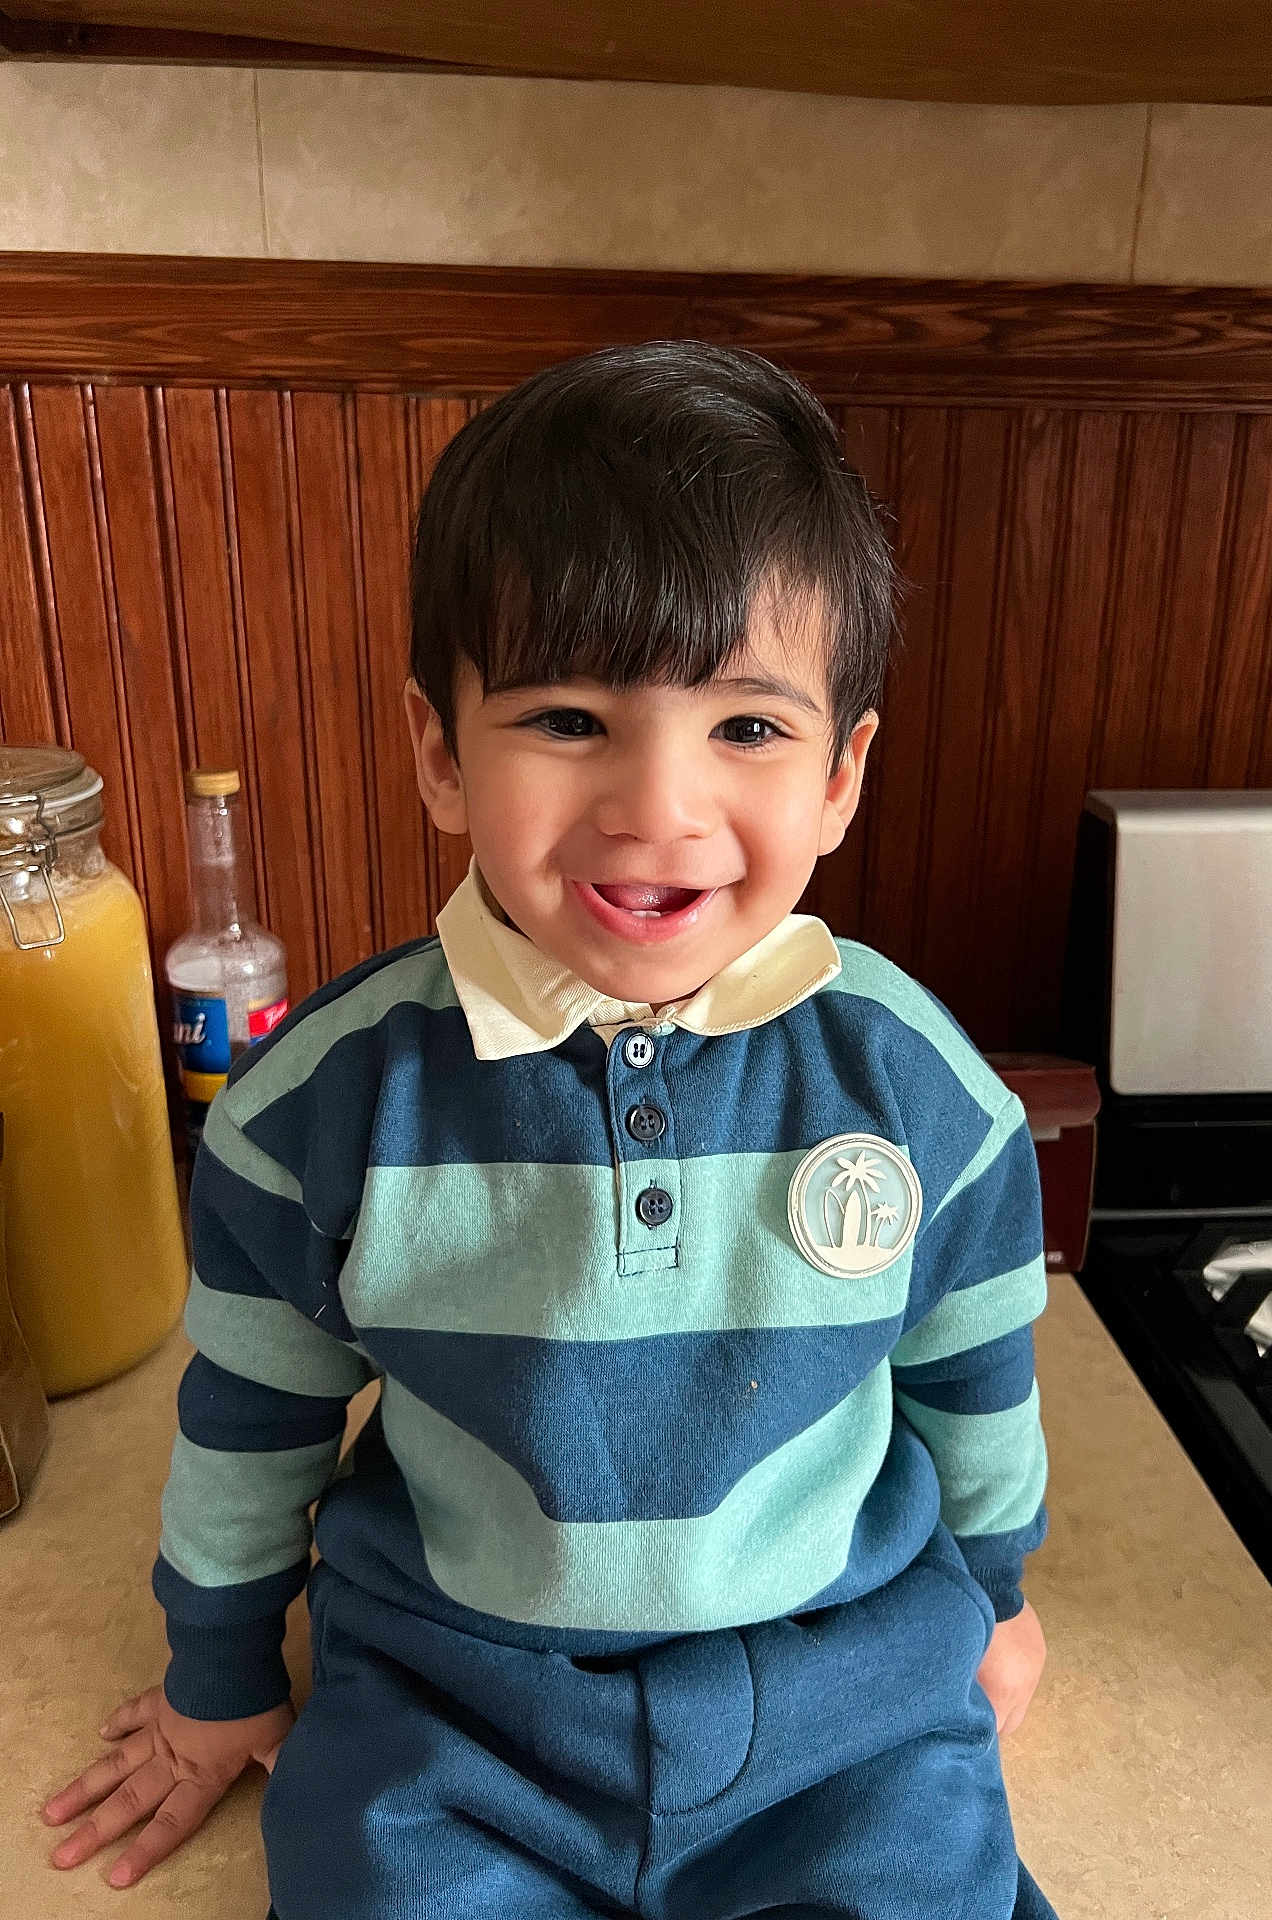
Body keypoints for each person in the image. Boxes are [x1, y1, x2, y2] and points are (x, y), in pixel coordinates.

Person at [41, 340, 1056, 1919]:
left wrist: (992, 1598)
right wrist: (217, 1671)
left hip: (843, 1694)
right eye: (571, 718)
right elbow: (252, 1424)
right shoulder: (315, 1109)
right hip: (456, 1711)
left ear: (846, 774)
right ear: (444, 753)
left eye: (749, 729)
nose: (658, 805)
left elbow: (973, 1376)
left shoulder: (926, 1093)